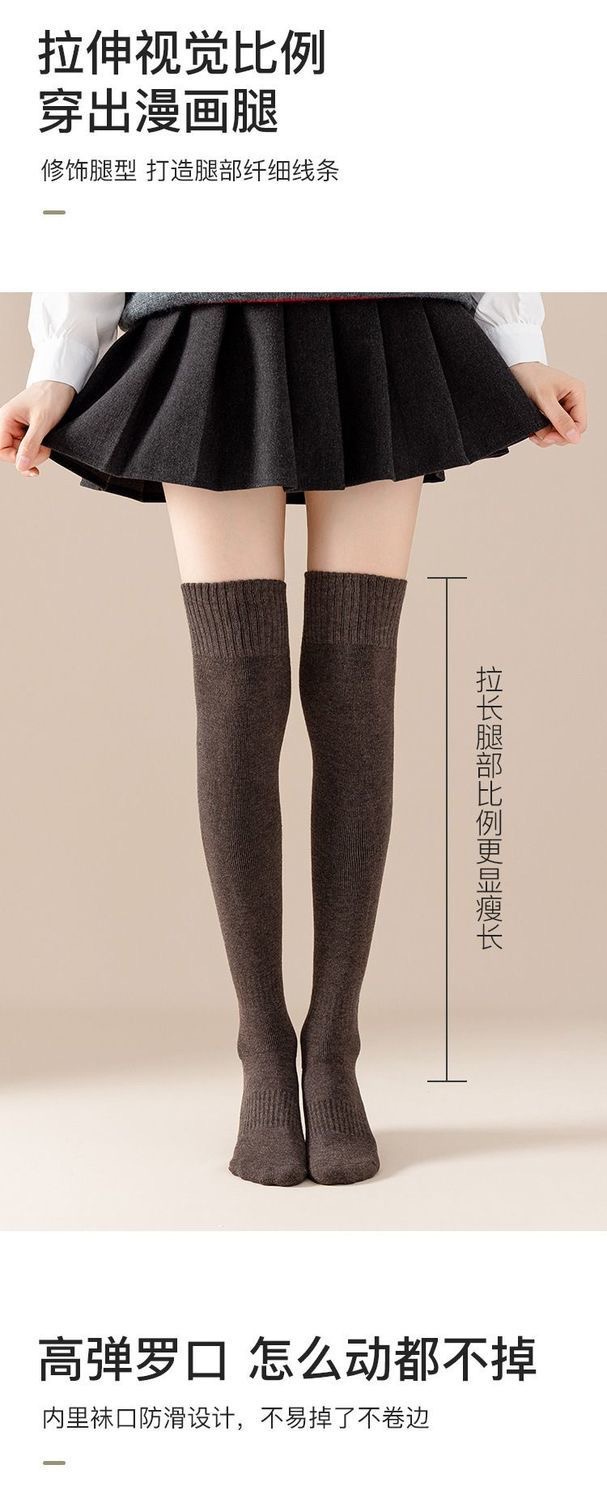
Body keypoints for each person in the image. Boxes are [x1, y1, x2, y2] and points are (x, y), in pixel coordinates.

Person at [0, 292, 587, 1187]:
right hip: (210, 326)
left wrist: (516, 341)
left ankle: (334, 1042)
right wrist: (58, 362)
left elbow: (468, 194)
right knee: (237, 694)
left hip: (378, 313)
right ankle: (264, 1048)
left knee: (356, 689)